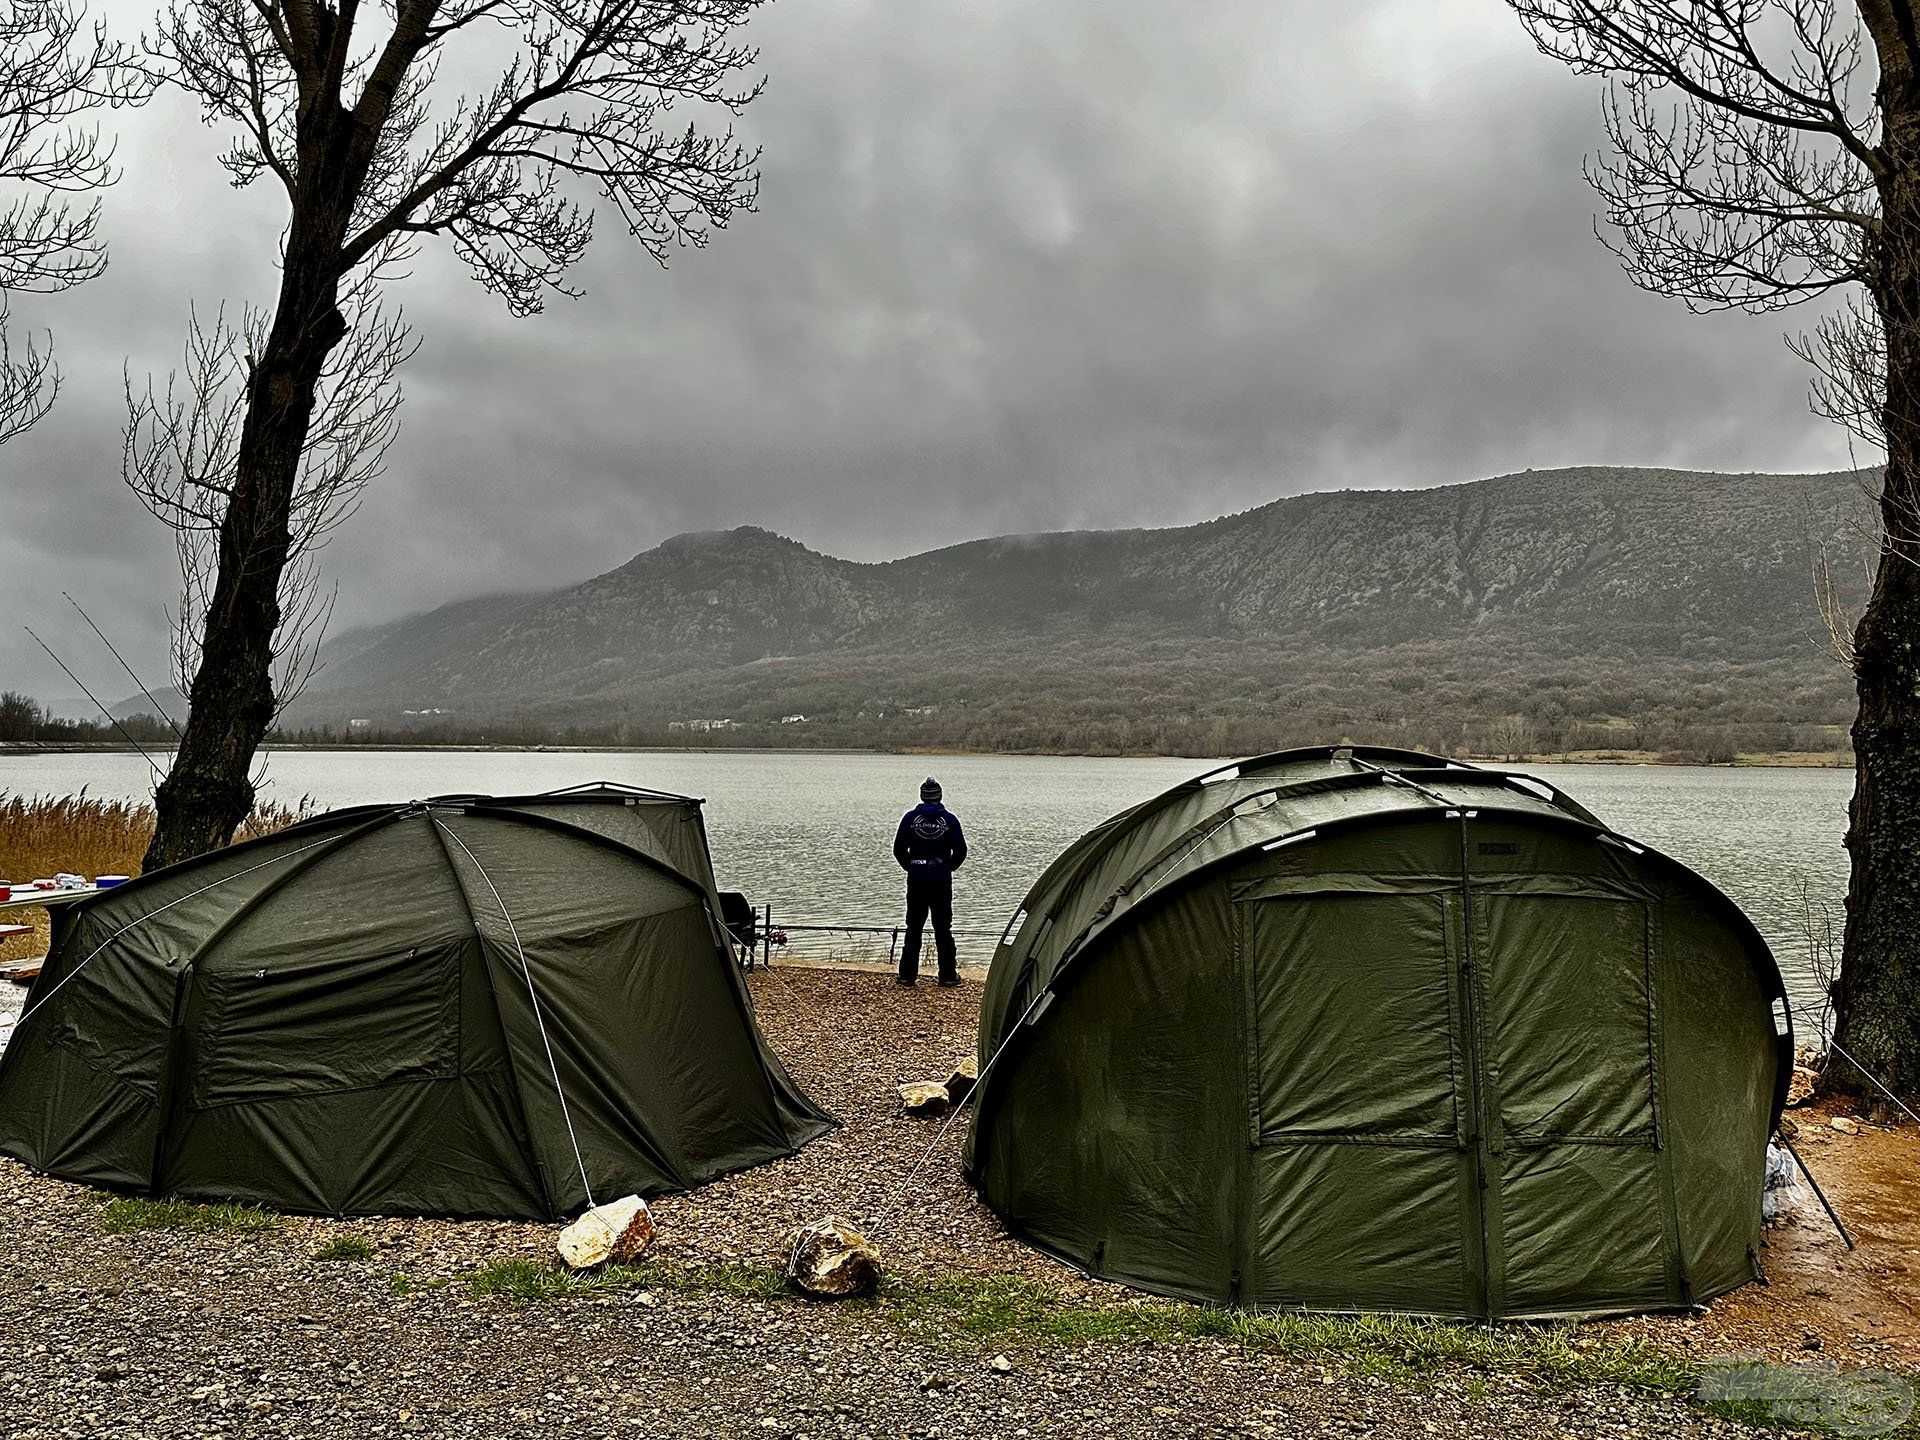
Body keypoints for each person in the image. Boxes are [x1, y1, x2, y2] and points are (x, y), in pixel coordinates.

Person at [893, 776, 967, 987]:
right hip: (941, 881)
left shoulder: (909, 819)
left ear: (922, 797)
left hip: (917, 880)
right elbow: (961, 851)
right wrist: (947, 867)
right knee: (943, 928)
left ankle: (907, 975)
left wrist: (912, 866)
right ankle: (947, 976)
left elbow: (898, 850)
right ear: (939, 796)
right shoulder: (950, 820)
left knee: (913, 927)